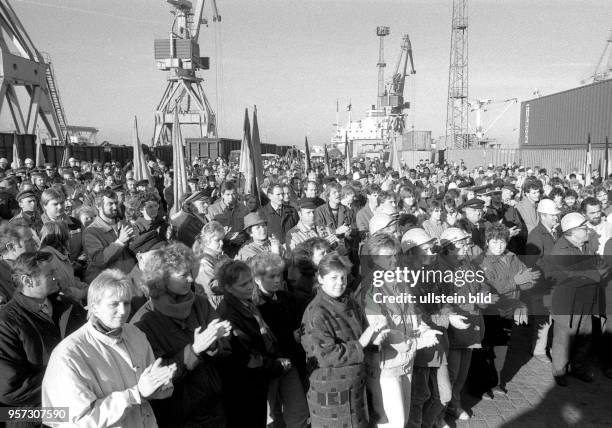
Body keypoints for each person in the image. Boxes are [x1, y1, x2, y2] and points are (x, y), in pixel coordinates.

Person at [42, 269, 177, 427]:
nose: (123, 311)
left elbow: (152, 383)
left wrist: (161, 385)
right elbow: (79, 421)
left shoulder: (135, 334)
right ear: (94, 306)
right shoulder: (68, 355)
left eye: (126, 303)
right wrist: (136, 394)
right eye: (114, 304)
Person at [132, 243, 231, 427]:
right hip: (178, 415)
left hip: (214, 406)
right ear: (162, 280)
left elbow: (225, 345)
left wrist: (214, 344)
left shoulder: (200, 304)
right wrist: (194, 350)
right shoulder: (145, 321)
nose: (191, 279)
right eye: (182, 275)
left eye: (190, 273)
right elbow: (156, 376)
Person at [301, 253, 386, 428]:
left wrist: (374, 339)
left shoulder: (350, 302)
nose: (340, 282)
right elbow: (326, 357)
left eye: (343, 277)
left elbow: (362, 334)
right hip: (331, 395)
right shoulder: (316, 312)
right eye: (334, 277)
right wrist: (363, 341)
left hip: (355, 389)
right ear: (321, 279)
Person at [0, 252, 85, 414]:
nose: (57, 276)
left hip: (81, 397)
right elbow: (10, 390)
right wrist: (68, 382)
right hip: (35, 413)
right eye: (50, 273)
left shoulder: (68, 306)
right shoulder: (6, 323)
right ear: (27, 281)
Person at [216, 260, 290, 428]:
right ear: (228, 287)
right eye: (243, 284)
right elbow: (246, 355)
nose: (250, 286)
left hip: (257, 379)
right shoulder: (229, 314)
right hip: (245, 387)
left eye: (250, 280)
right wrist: (275, 365)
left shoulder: (246, 303)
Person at [250, 253, 309, 428]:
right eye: (272, 276)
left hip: (288, 363)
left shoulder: (286, 298)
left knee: (298, 411)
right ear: (258, 279)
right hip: (267, 366)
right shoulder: (253, 305)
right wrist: (290, 337)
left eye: (280, 275)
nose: (278, 280)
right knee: (270, 416)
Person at [548, 212, 607, 387]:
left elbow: (600, 265)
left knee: (585, 335)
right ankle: (559, 371)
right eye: (583, 228)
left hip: (586, 298)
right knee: (563, 338)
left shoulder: (586, 246)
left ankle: (578, 367)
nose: (587, 230)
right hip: (567, 301)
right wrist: (594, 274)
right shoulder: (560, 250)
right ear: (572, 232)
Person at [83, 189, 137, 282]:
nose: (115, 207)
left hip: (132, 279)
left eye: (116, 203)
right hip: (110, 284)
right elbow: (99, 260)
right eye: (110, 204)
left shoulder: (124, 224)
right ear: (99, 206)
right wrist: (119, 243)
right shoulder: (91, 232)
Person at [39, 222, 88, 303]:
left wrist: (85, 287)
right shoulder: (48, 258)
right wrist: (83, 293)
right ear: (62, 237)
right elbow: (62, 289)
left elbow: (70, 279)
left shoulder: (58, 254)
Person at [193, 221, 230, 309]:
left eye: (222, 239)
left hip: (225, 301)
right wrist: (234, 282)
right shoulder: (203, 262)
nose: (222, 243)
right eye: (217, 240)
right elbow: (213, 287)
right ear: (206, 242)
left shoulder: (222, 256)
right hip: (213, 307)